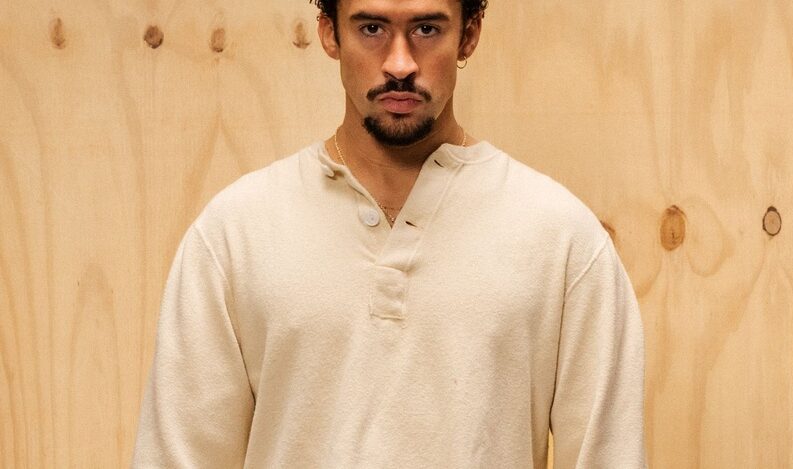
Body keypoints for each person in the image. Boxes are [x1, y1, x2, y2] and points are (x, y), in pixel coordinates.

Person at [131, 0, 646, 467]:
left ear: (469, 35)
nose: (400, 64)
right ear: (330, 33)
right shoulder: (234, 234)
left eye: (426, 29)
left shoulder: (561, 238)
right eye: (372, 28)